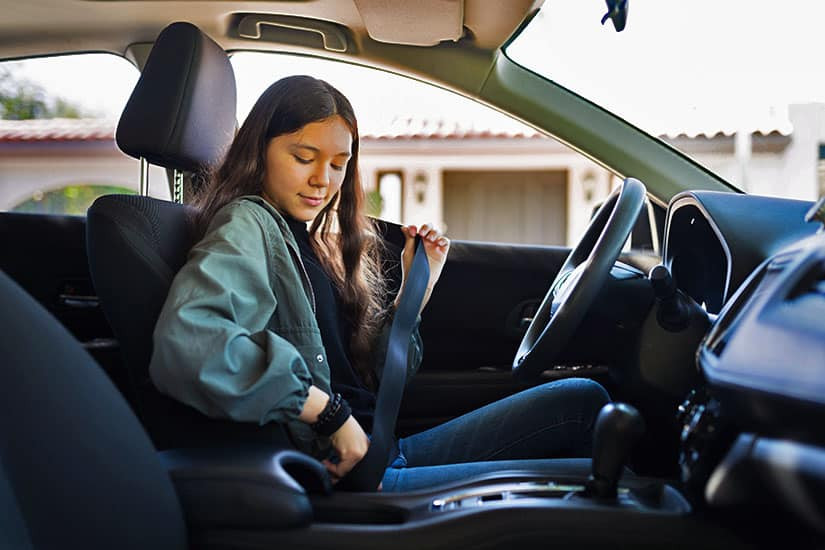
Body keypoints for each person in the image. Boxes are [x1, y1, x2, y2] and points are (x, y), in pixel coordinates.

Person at [150, 75, 609, 492]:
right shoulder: (247, 224)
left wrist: (417, 290)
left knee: (583, 402)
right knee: (603, 475)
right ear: (259, 150)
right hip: (357, 477)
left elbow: (369, 381)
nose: (322, 180)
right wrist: (327, 412)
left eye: (338, 164)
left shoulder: (304, 238)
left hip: (382, 446)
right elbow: (190, 345)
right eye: (303, 157)